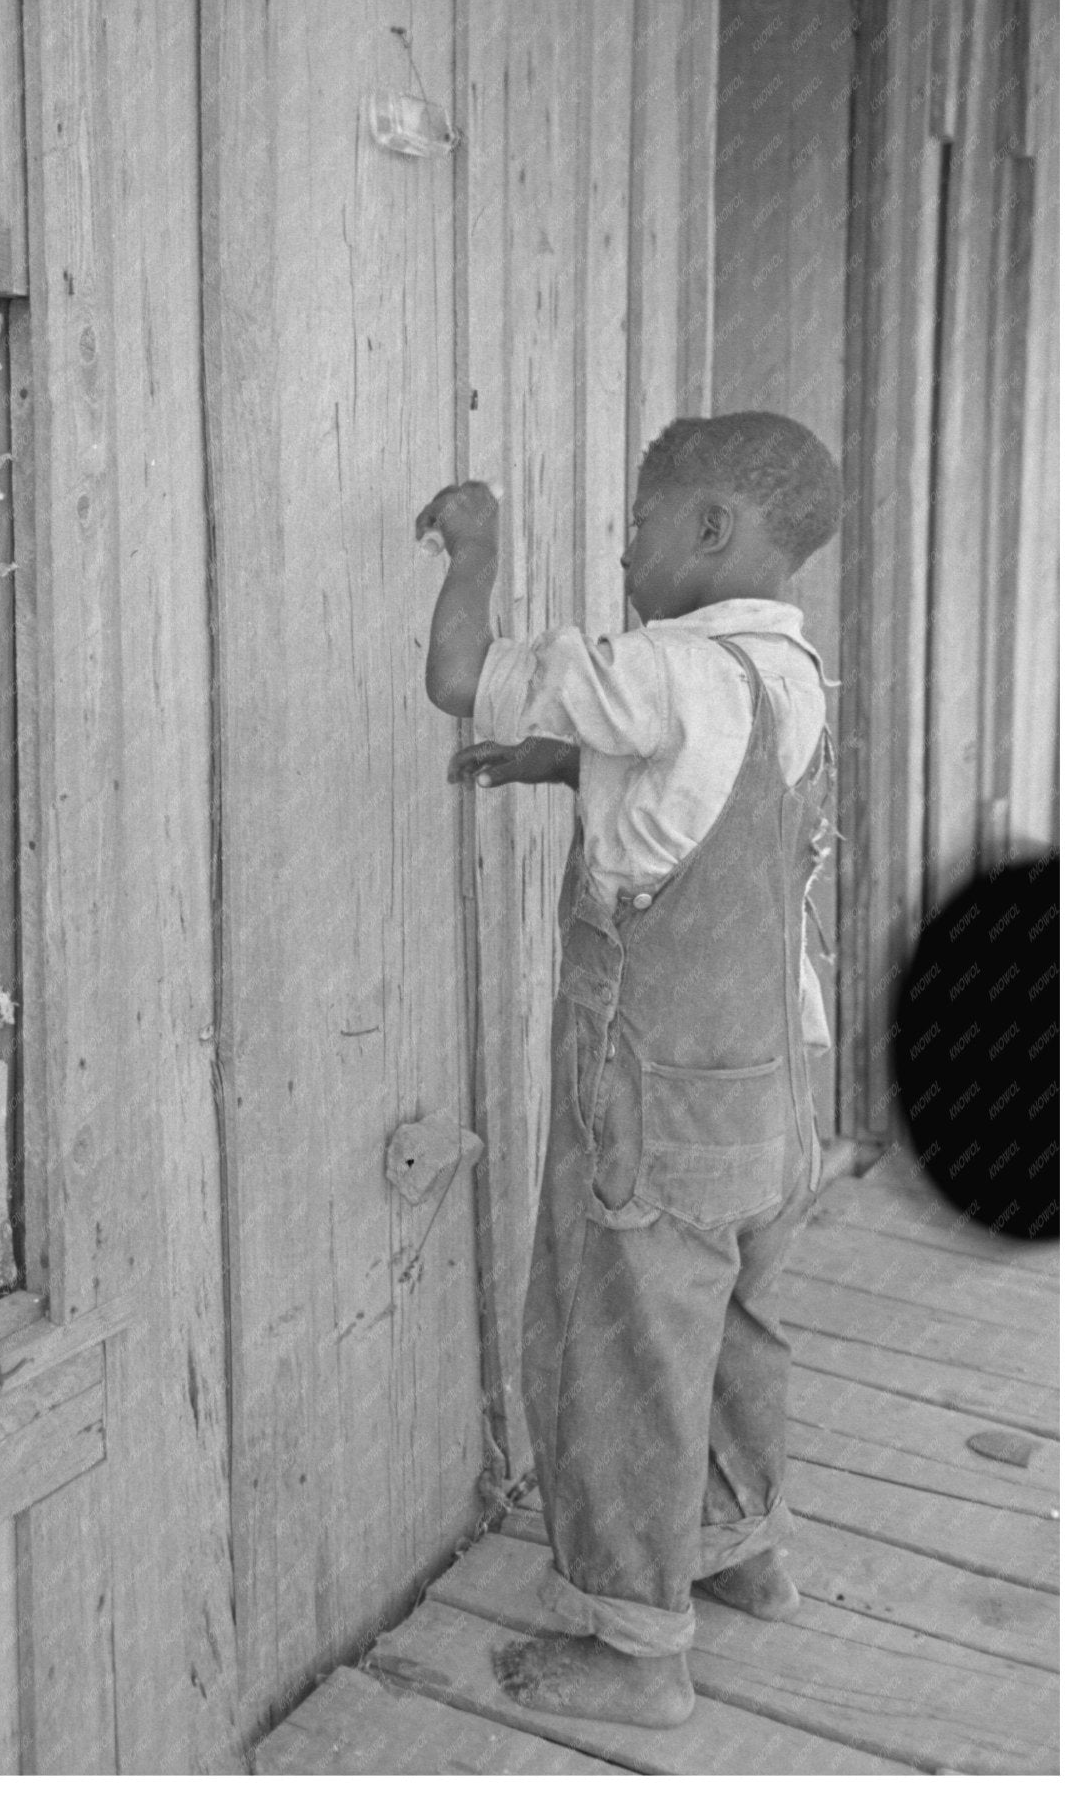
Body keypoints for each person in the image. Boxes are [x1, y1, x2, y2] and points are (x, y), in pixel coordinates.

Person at [415, 411, 842, 1728]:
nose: (624, 553)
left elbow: (457, 672)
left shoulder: (659, 664)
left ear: (711, 531)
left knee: (620, 1351)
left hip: (653, 1096)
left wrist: (474, 550)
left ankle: (641, 1650)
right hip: (771, 1091)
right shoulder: (787, 676)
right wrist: (562, 768)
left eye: (640, 526)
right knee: (732, 1328)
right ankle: (740, 1552)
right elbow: (696, 800)